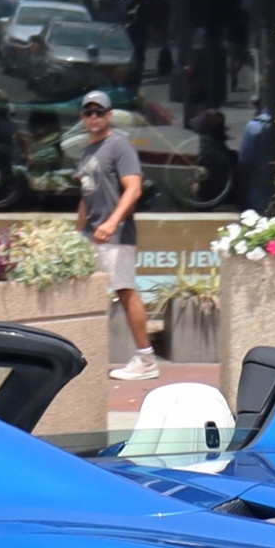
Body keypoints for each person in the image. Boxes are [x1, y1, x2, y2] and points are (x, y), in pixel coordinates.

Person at [76, 90, 154, 381]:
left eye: (99, 112)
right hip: (90, 234)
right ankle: (84, 356)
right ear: (83, 117)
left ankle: (147, 360)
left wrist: (111, 222)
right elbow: (85, 195)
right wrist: (76, 232)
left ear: (109, 116)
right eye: (88, 112)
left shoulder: (119, 146)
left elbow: (134, 188)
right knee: (85, 293)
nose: (94, 117)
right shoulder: (87, 151)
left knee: (124, 290)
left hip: (116, 234)